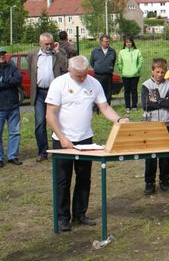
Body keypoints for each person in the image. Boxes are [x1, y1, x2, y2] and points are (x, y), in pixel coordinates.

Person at [45, 55, 128, 232]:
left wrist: (119, 120)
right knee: (62, 180)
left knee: (84, 178)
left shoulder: (93, 83)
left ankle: (80, 214)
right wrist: (62, 138)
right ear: (69, 70)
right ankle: (62, 217)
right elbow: (50, 114)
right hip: (63, 139)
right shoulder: (59, 84)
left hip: (85, 139)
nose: (82, 78)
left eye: (84, 74)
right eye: (78, 75)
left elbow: (104, 107)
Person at [28, 32, 68, 162]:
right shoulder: (33, 55)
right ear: (40, 43)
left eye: (51, 43)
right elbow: (31, 72)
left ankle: (57, 149)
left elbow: (66, 66)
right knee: (40, 123)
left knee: (56, 121)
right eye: (46, 44)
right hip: (39, 93)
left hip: (55, 93)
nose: (49, 46)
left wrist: (57, 52)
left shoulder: (58, 53)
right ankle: (42, 152)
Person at [141, 58, 169, 195]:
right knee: (150, 155)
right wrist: (163, 101)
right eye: (157, 72)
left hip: (165, 123)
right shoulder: (145, 85)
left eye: (162, 72)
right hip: (150, 123)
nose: (160, 75)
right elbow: (145, 103)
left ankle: (165, 179)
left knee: (164, 153)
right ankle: (149, 182)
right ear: (152, 71)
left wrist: (156, 100)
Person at [0, 47, 23, 167]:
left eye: (3, 54)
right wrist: (9, 81)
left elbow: (18, 78)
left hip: (13, 105)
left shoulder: (12, 66)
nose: (2, 56)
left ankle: (12, 156)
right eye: (0, 54)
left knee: (14, 132)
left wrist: (4, 81)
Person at [117, 37, 142, 112]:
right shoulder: (122, 52)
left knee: (134, 90)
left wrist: (137, 69)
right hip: (125, 75)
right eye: (127, 42)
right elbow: (119, 62)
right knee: (126, 91)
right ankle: (127, 106)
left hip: (135, 75)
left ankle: (134, 106)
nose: (128, 43)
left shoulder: (137, 51)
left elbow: (140, 61)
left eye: (130, 42)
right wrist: (121, 69)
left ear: (132, 42)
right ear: (125, 43)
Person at [90, 35, 117, 105]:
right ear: (101, 42)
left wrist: (108, 68)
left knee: (108, 92)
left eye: (108, 41)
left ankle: (107, 107)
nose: (108, 43)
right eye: (106, 41)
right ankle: (97, 108)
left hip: (108, 75)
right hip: (98, 75)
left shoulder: (112, 51)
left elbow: (113, 62)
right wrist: (98, 68)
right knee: (98, 91)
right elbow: (92, 62)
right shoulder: (95, 51)